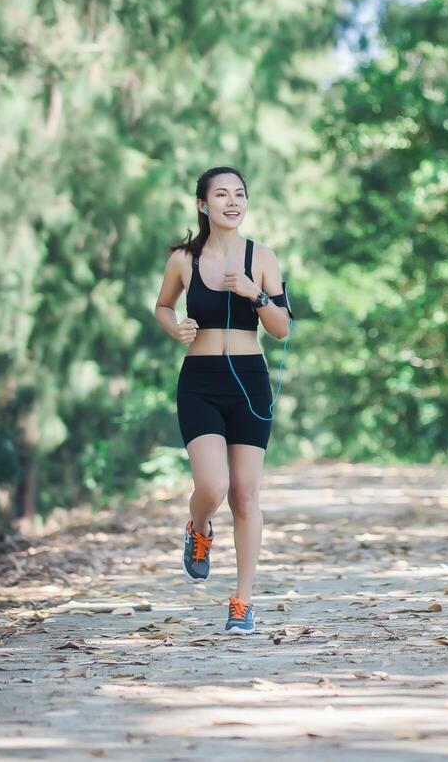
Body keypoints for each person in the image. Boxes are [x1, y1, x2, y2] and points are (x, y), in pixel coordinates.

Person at [152, 166, 291, 634]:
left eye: (240, 194)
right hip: (201, 381)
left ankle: (243, 603)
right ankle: (198, 528)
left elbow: (282, 327)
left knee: (245, 494)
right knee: (212, 487)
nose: (233, 201)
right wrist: (175, 327)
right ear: (203, 204)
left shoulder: (263, 257)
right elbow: (164, 306)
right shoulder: (182, 260)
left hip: (251, 381)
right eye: (222, 194)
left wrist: (255, 295)